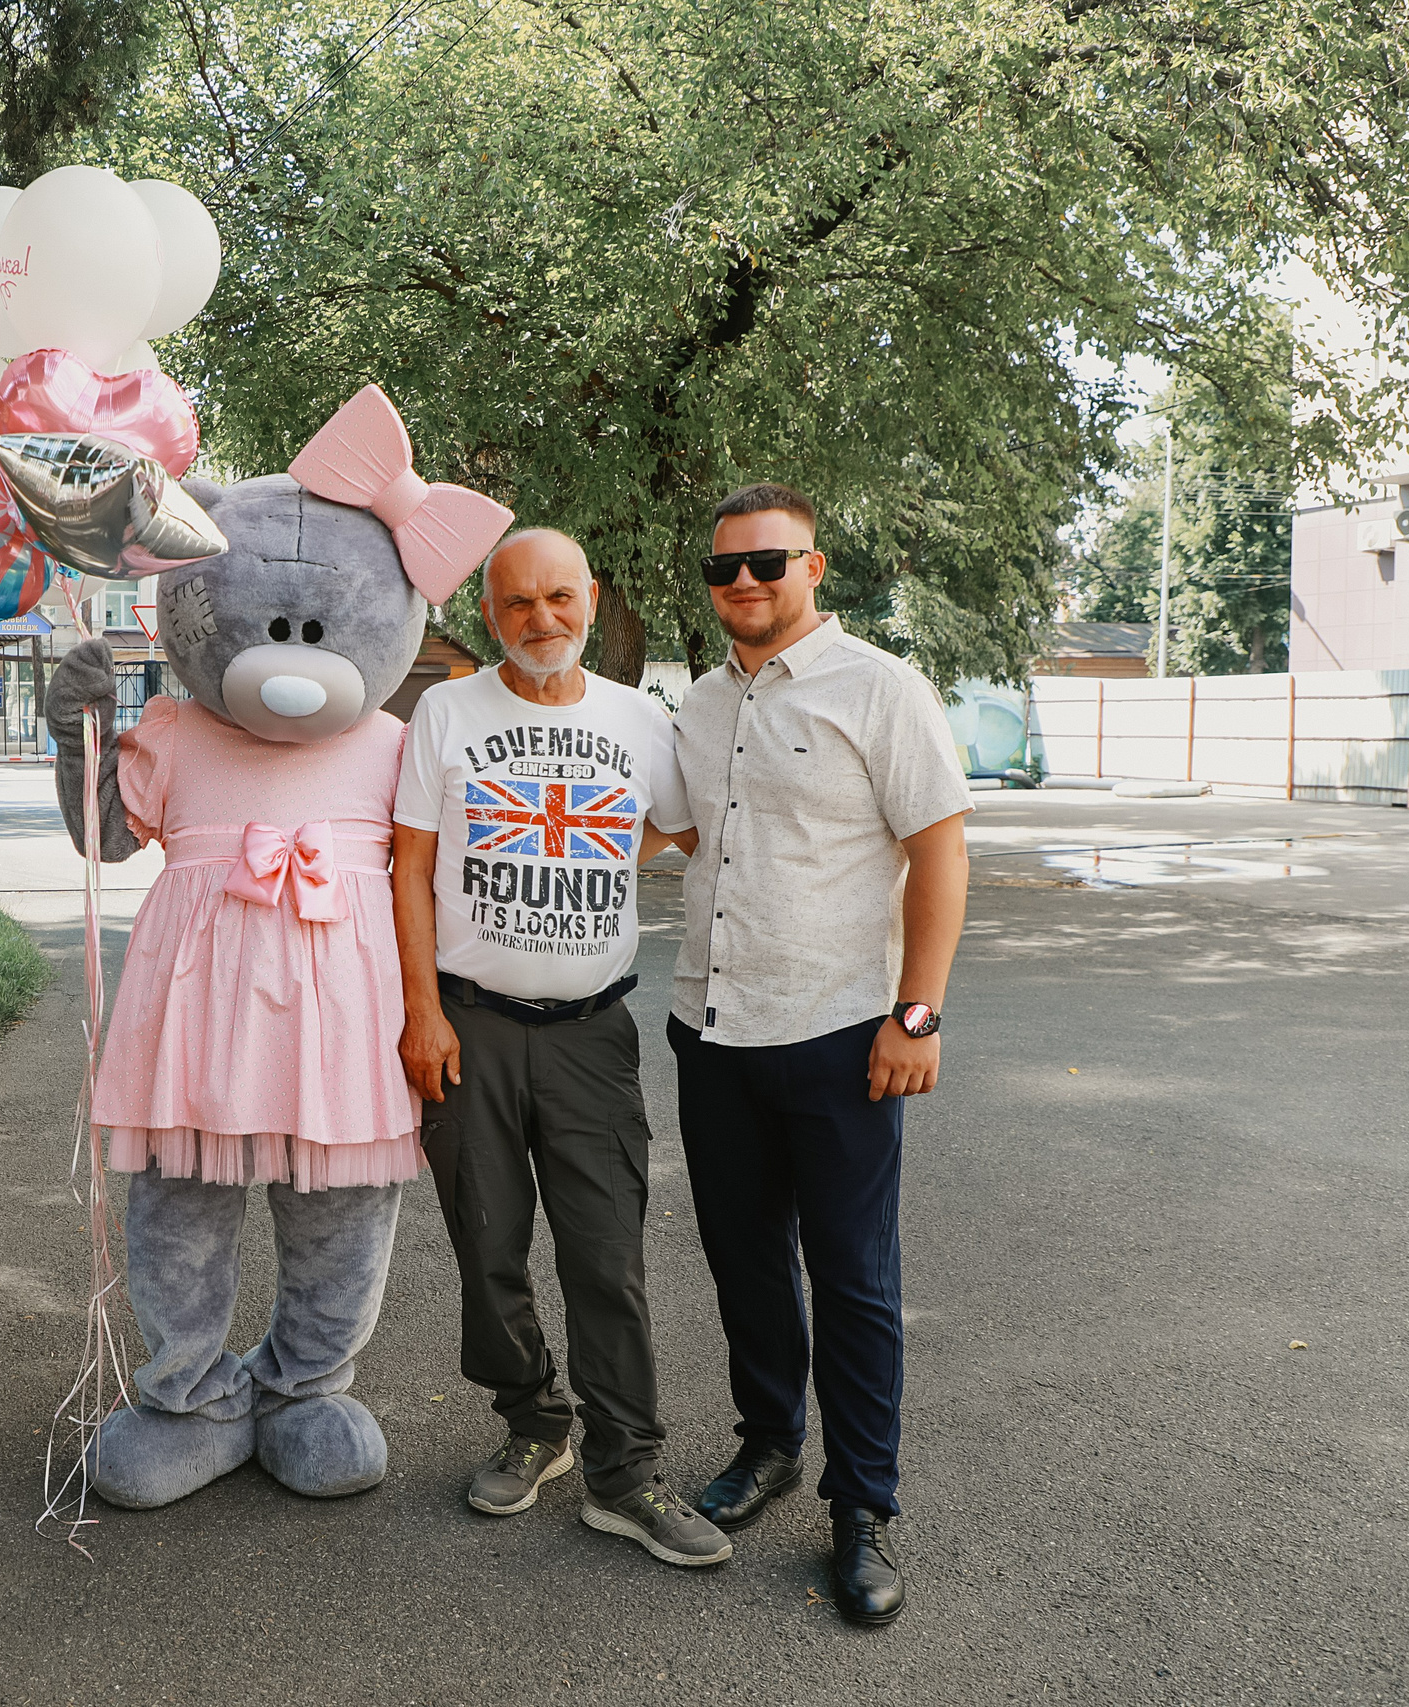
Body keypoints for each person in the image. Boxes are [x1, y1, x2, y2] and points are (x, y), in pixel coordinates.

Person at [667, 483, 971, 1626]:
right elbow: (702, 839)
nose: (743, 583)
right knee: (744, 1260)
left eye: (766, 563)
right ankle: (769, 1445)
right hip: (712, 1029)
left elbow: (938, 854)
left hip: (844, 1035)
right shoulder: (697, 703)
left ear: (813, 567)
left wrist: (918, 1013)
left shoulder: (881, 689)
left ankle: (863, 1504)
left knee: (852, 1279)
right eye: (723, 568)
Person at [392, 529, 723, 1568]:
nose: (543, 620)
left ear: (589, 601)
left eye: (560, 599)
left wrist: (600, 847)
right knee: (486, 1248)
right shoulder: (444, 712)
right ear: (490, 614)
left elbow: (676, 828)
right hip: (470, 1025)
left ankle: (623, 1473)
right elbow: (408, 870)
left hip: (590, 1034)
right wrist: (420, 1012)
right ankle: (535, 1423)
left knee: (606, 1259)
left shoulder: (638, 721)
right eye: (519, 603)